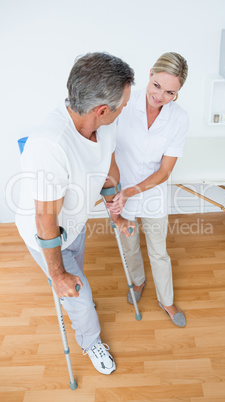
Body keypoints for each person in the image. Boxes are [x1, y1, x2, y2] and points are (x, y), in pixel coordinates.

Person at [15, 52, 135, 374]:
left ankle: (76, 301)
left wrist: (116, 213)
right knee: (78, 293)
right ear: (102, 110)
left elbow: (109, 168)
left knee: (76, 278)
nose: (125, 109)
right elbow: (45, 219)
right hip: (48, 233)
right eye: (122, 105)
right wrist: (57, 275)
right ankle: (90, 339)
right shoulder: (50, 146)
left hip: (75, 222)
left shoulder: (106, 125)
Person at [107, 52, 189, 327]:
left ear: (177, 93)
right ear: (150, 73)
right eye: (157, 86)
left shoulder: (179, 119)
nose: (160, 96)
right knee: (129, 245)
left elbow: (165, 171)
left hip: (152, 192)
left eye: (170, 92)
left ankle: (166, 300)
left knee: (159, 251)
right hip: (121, 188)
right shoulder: (124, 103)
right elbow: (109, 149)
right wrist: (115, 191)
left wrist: (133, 191)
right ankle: (138, 282)